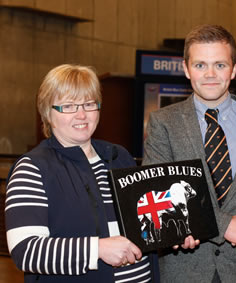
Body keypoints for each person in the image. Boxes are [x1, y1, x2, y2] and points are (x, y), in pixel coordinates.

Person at [142, 24, 236, 282]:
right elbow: (156, 195)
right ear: (186, 68)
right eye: (200, 65)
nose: (210, 74)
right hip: (184, 272)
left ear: (233, 69)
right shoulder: (163, 124)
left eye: (220, 65)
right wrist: (225, 226)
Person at [5, 64, 160, 282]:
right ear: (48, 113)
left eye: (89, 104)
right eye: (68, 106)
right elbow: (26, 251)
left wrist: (173, 231)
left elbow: (145, 222)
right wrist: (97, 249)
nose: (81, 114)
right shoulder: (33, 168)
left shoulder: (119, 157)